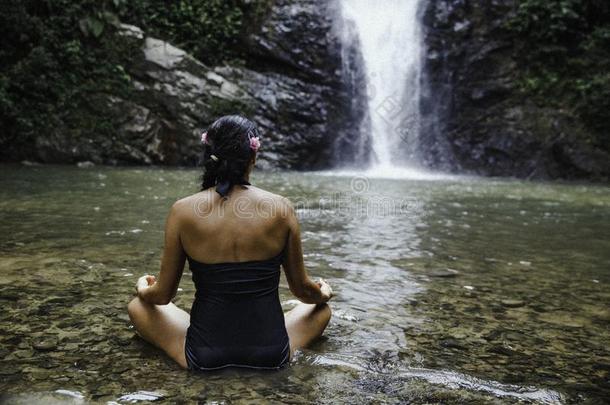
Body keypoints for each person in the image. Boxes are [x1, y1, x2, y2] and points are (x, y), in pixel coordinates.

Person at [127, 115, 333, 371]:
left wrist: (142, 289)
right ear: (253, 157)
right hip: (271, 353)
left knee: (138, 306)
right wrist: (322, 293)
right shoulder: (281, 208)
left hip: (202, 355)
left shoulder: (182, 211)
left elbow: (162, 296)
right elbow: (303, 291)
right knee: (321, 310)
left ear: (209, 156)